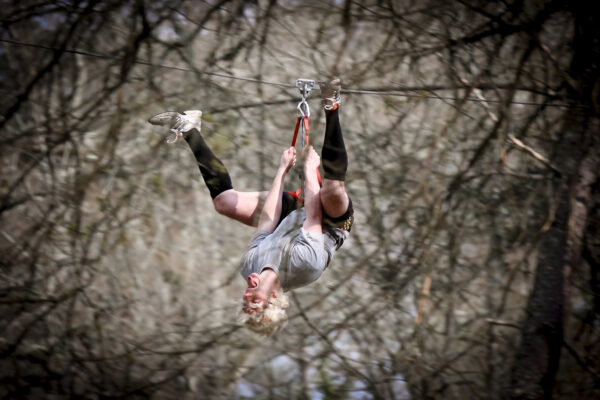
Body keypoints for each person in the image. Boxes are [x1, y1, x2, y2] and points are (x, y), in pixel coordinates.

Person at [149, 79, 353, 335]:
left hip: (287, 219)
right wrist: (311, 170)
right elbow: (313, 214)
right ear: (274, 299)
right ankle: (331, 104)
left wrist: (282, 170)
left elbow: (268, 221)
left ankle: (189, 128)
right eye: (255, 301)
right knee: (332, 190)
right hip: (326, 223)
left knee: (225, 203)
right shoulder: (305, 266)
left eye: (244, 302)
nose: (247, 295)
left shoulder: (250, 266)